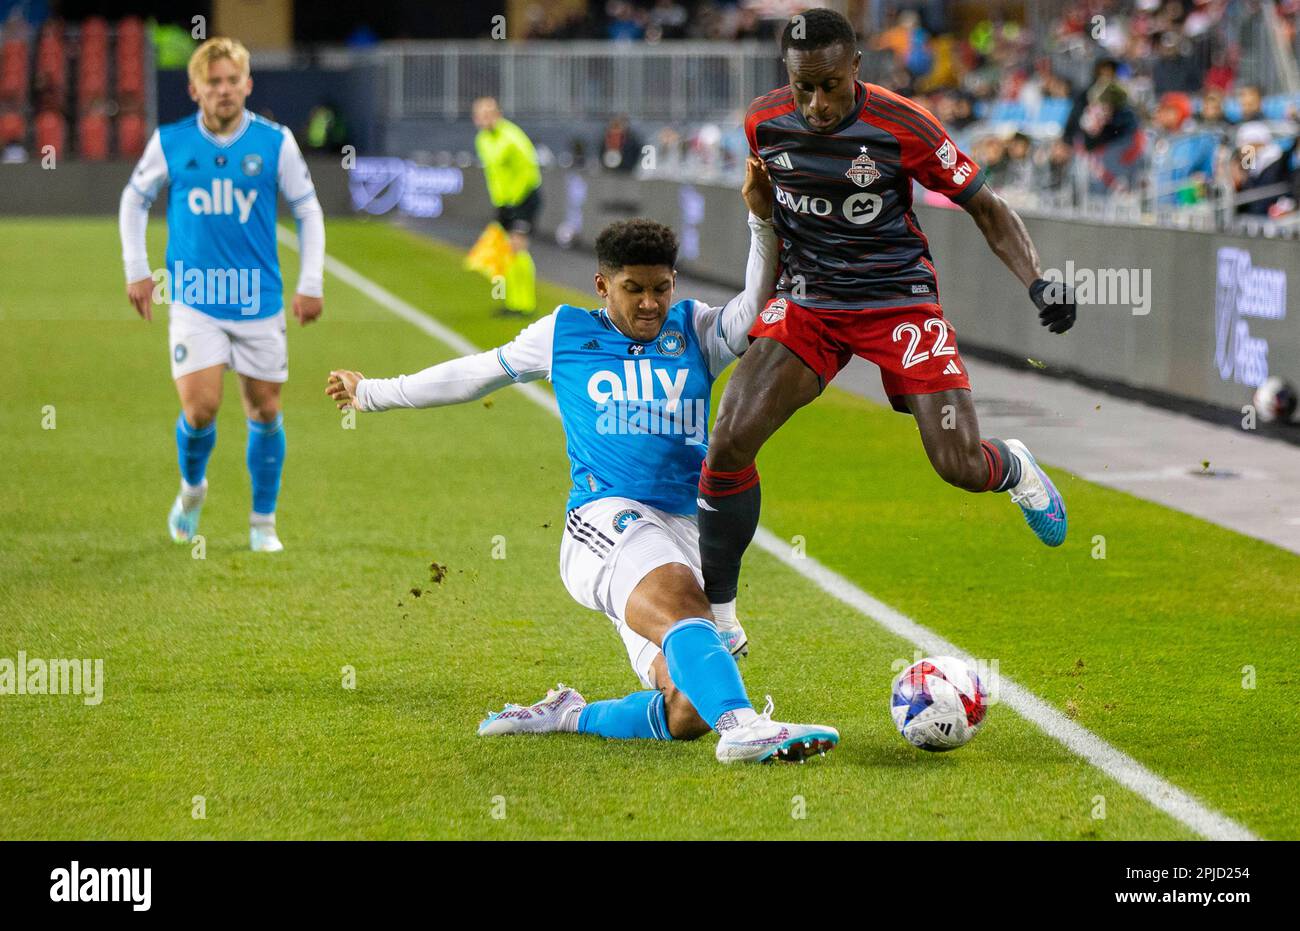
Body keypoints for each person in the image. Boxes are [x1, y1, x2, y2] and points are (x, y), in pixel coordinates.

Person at [324, 160, 840, 764]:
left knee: (689, 708)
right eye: (633, 289)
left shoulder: (695, 329)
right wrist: (373, 392)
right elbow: (473, 373)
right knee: (687, 611)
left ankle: (569, 715)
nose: (650, 304)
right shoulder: (564, 333)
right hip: (604, 520)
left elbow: (755, 306)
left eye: (660, 288)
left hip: (683, 528)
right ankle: (746, 728)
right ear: (602, 286)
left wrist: (760, 218)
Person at [696, 8, 1074, 643]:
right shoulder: (763, 123)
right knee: (728, 440)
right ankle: (722, 619)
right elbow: (767, 211)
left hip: (899, 300)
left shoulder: (904, 126)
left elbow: (986, 205)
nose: (816, 104)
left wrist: (1038, 281)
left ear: (856, 69)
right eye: (802, 87)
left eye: (830, 86)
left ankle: (1014, 467)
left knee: (957, 464)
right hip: (811, 301)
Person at [119, 37, 325, 552]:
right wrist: (137, 269)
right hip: (194, 299)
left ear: (248, 84)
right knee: (201, 409)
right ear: (194, 89)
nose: (225, 90)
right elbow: (133, 200)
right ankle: (192, 490)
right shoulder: (171, 142)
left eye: (234, 80)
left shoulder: (275, 142)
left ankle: (262, 524)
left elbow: (308, 209)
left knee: (265, 410)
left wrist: (311, 282)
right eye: (214, 82)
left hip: (259, 300)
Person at [472, 96, 541, 317]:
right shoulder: (482, 140)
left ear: (498, 114)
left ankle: (526, 304)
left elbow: (529, 171)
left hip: (523, 199)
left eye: (489, 113)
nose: (485, 119)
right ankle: (513, 302)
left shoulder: (512, 138)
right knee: (506, 251)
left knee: (517, 248)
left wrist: (515, 202)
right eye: (481, 115)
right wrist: (501, 202)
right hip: (504, 202)